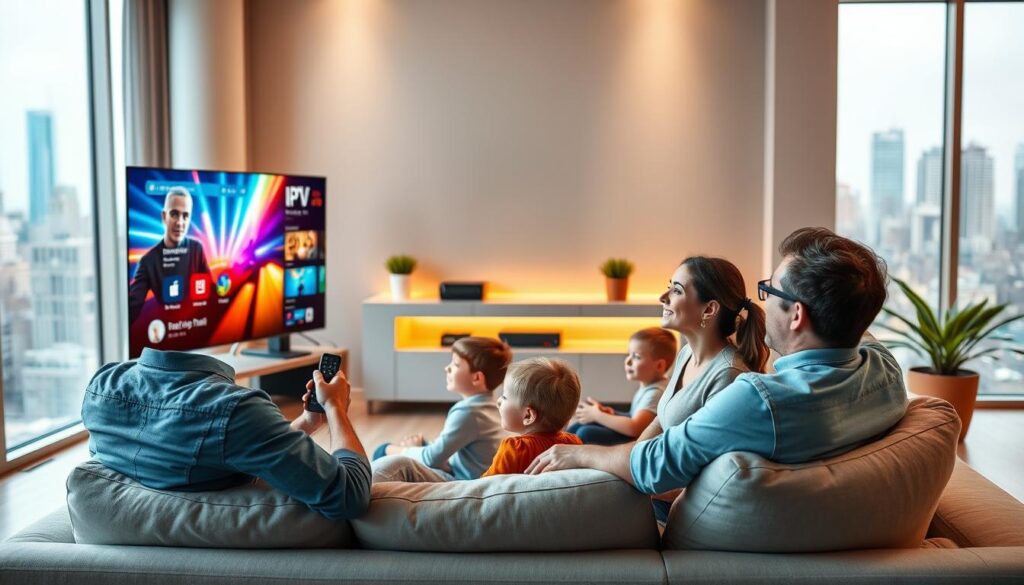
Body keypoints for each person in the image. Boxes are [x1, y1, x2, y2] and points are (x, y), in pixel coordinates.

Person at [527, 228, 908, 506]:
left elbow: (654, 468)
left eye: (770, 291)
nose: (762, 301)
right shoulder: (886, 371)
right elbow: (863, 333)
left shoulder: (756, 398)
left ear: (796, 315)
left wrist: (577, 454)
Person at [81, 349, 370, 520]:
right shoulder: (236, 409)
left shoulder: (102, 387)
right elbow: (349, 495)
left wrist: (308, 422)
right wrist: (335, 408)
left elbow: (241, 448)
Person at [371, 337, 510, 483]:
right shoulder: (490, 406)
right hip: (469, 473)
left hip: (464, 482)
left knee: (383, 450)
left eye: (455, 365)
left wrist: (406, 450)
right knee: (422, 447)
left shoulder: (468, 413)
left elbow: (431, 459)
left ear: (476, 378)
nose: (447, 368)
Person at [568, 327, 676, 446]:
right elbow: (632, 417)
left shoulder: (655, 393)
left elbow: (634, 428)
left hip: (635, 443)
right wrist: (610, 413)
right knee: (581, 425)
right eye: (629, 355)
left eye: (636, 357)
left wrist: (597, 415)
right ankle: (559, 444)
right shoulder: (649, 386)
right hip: (632, 435)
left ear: (659, 365)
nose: (627, 361)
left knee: (586, 432)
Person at [481, 357, 583, 476]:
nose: (498, 401)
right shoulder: (574, 443)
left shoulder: (514, 449)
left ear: (528, 415)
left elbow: (486, 488)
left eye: (504, 397)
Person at [128, 187, 210, 324]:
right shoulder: (148, 261)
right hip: (170, 330)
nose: (180, 223)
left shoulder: (197, 249)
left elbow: (212, 295)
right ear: (164, 217)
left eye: (185, 216)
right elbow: (132, 308)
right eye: (174, 214)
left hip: (198, 326)